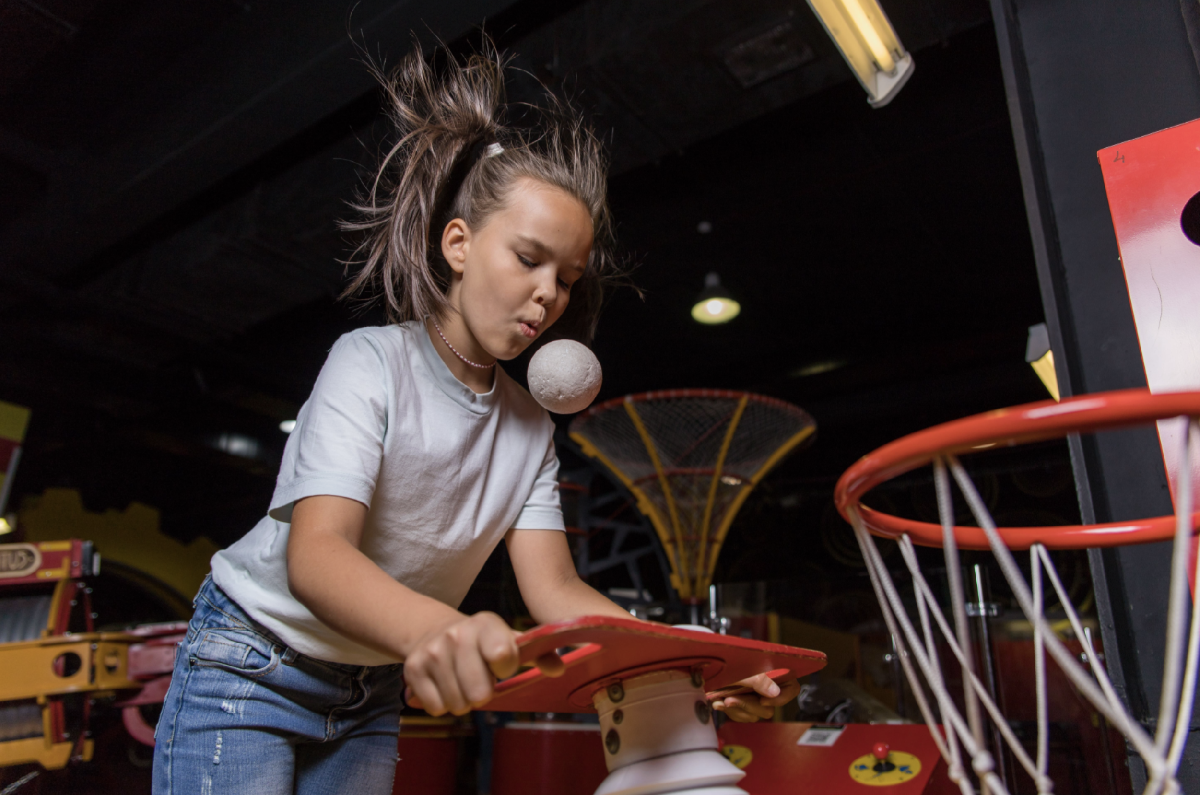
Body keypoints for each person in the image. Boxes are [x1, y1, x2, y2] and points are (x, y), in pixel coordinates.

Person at [152, 39, 798, 795]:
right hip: (252, 657)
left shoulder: (530, 428)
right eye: (528, 258)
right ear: (457, 244)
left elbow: (555, 592)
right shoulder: (370, 361)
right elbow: (317, 555)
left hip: (371, 686)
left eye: (567, 277)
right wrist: (438, 629)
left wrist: (694, 660)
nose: (548, 295)